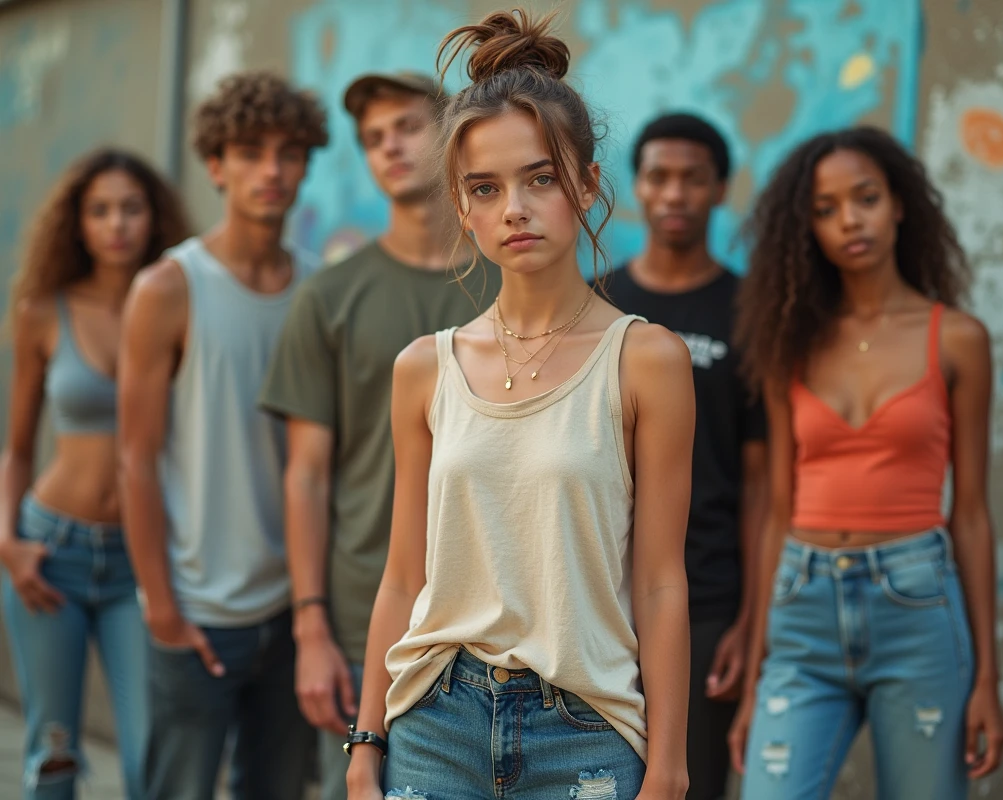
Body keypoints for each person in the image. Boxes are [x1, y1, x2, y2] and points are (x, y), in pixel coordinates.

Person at [345, 9, 694, 800]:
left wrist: (669, 767)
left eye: (541, 178)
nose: (514, 208)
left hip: (585, 729)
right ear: (462, 208)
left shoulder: (648, 360)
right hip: (435, 721)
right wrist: (366, 744)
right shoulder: (424, 369)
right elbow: (403, 576)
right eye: (485, 187)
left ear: (587, 186)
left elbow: (661, 581)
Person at [728, 126, 1003, 799]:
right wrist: (754, 683)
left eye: (866, 198)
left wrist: (987, 680)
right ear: (806, 230)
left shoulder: (958, 339)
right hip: (802, 605)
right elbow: (777, 512)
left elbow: (969, 514)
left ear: (900, 204)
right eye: (824, 210)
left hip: (915, 604)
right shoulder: (786, 339)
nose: (849, 220)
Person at [258, 70, 499, 799]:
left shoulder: (510, 283)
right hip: (370, 605)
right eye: (372, 138)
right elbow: (305, 474)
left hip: (496, 612)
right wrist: (311, 630)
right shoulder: (329, 296)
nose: (390, 146)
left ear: (451, 138)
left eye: (407, 127)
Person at [117, 71, 329, 799]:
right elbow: (135, 461)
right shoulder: (168, 288)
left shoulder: (316, 288)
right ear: (216, 164)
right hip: (198, 613)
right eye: (250, 151)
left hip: (291, 612)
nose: (272, 170)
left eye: (290, 152)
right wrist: (163, 610)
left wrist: (313, 613)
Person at [0, 148, 189, 800]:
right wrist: (8, 541)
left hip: (141, 559)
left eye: (131, 208)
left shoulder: (178, 304)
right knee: (52, 757)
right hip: (53, 552)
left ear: (153, 218)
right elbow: (18, 448)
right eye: (99, 210)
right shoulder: (40, 312)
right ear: (76, 223)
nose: (117, 224)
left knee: (149, 761)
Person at [602, 112, 768, 800]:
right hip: (603, 599)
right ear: (636, 187)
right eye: (659, 177)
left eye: (693, 179)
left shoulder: (750, 309)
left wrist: (751, 626)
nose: (674, 194)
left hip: (705, 602)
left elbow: (764, 486)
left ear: (720, 189)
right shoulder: (600, 304)